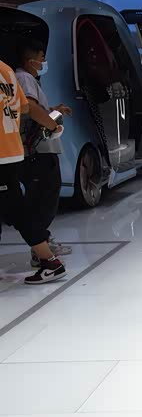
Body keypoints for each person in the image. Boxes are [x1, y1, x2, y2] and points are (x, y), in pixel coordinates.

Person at [0, 59, 67, 285]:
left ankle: (50, 261)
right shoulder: (6, 70)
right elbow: (24, 106)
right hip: (12, 149)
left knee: (17, 210)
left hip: (1, 153)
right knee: (13, 207)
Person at [16, 40, 73, 268]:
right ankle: (40, 249)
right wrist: (52, 124)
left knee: (46, 197)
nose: (43, 62)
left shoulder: (29, 79)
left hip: (41, 150)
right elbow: (29, 107)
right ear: (30, 60)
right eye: (41, 58)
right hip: (37, 151)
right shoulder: (24, 78)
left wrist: (53, 111)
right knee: (42, 199)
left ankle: (43, 243)